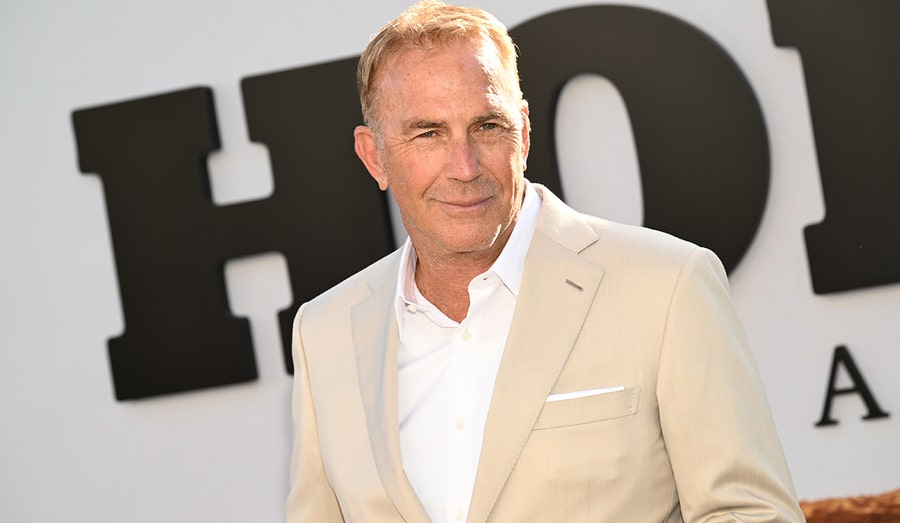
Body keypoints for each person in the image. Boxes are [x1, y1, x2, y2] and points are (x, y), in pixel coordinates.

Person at [287, 1, 806, 521]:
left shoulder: (667, 285)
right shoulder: (324, 332)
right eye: (429, 134)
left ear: (524, 132)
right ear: (374, 156)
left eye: (488, 126)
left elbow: (752, 512)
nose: (464, 167)